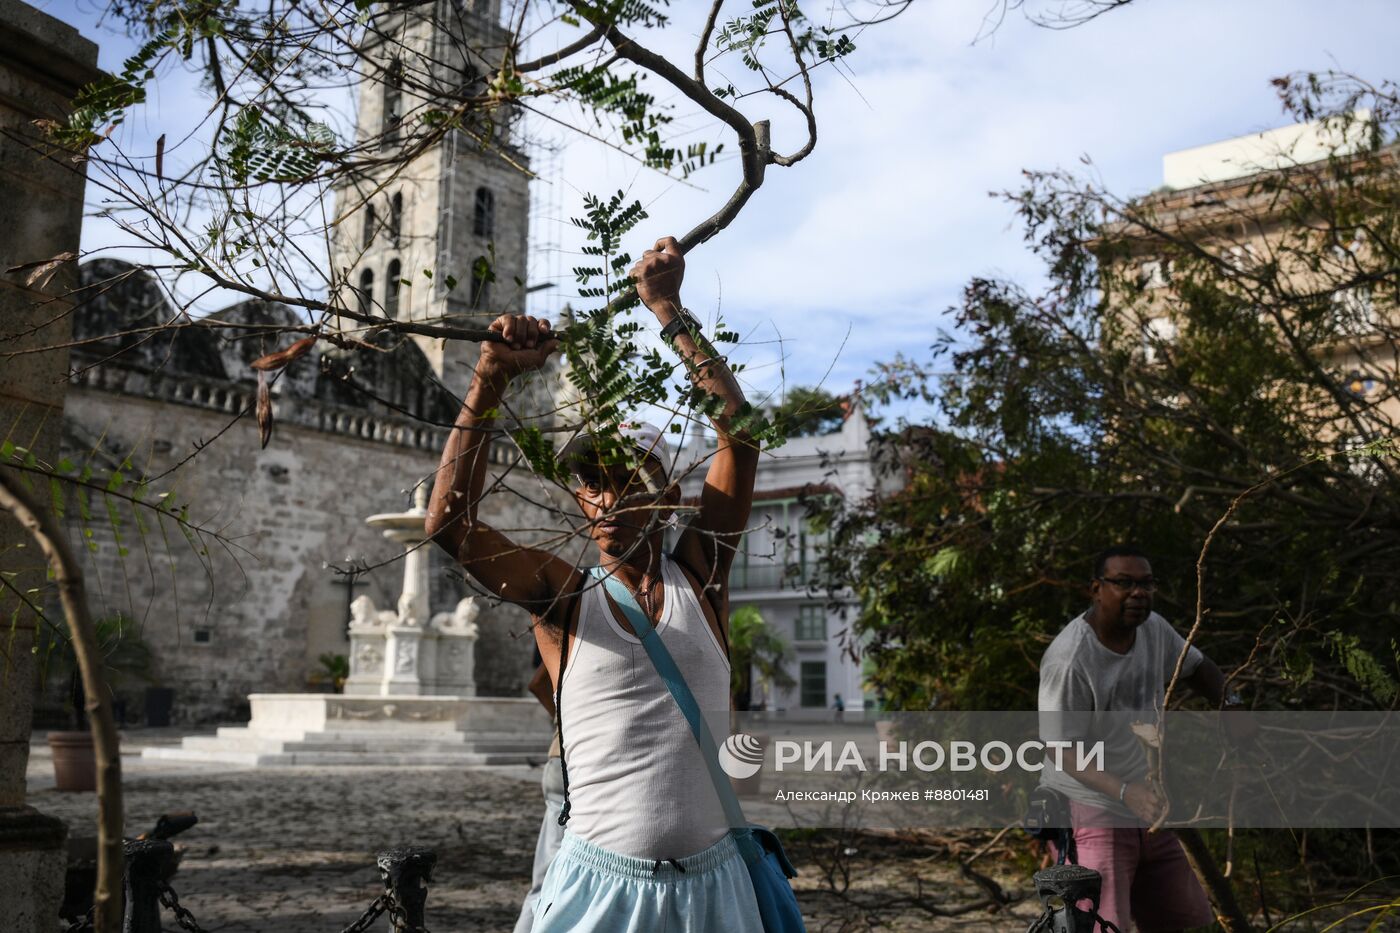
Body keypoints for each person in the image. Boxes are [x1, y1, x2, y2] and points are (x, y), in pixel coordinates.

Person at [426, 236, 764, 932]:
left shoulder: (701, 576)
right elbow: (452, 527)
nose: (605, 502)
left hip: (715, 890)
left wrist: (667, 310)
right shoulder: (564, 595)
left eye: (627, 482)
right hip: (596, 892)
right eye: (591, 484)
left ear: (670, 497)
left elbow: (741, 436)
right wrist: (491, 373)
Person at [1037, 545, 1243, 933]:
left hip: (1149, 803)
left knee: (1189, 919)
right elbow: (1059, 749)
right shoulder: (1070, 659)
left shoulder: (1153, 630)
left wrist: (1230, 703)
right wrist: (1124, 791)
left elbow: (1198, 667)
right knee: (1103, 924)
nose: (1138, 593)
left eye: (1147, 584)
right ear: (1097, 589)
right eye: (1124, 583)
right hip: (1089, 807)